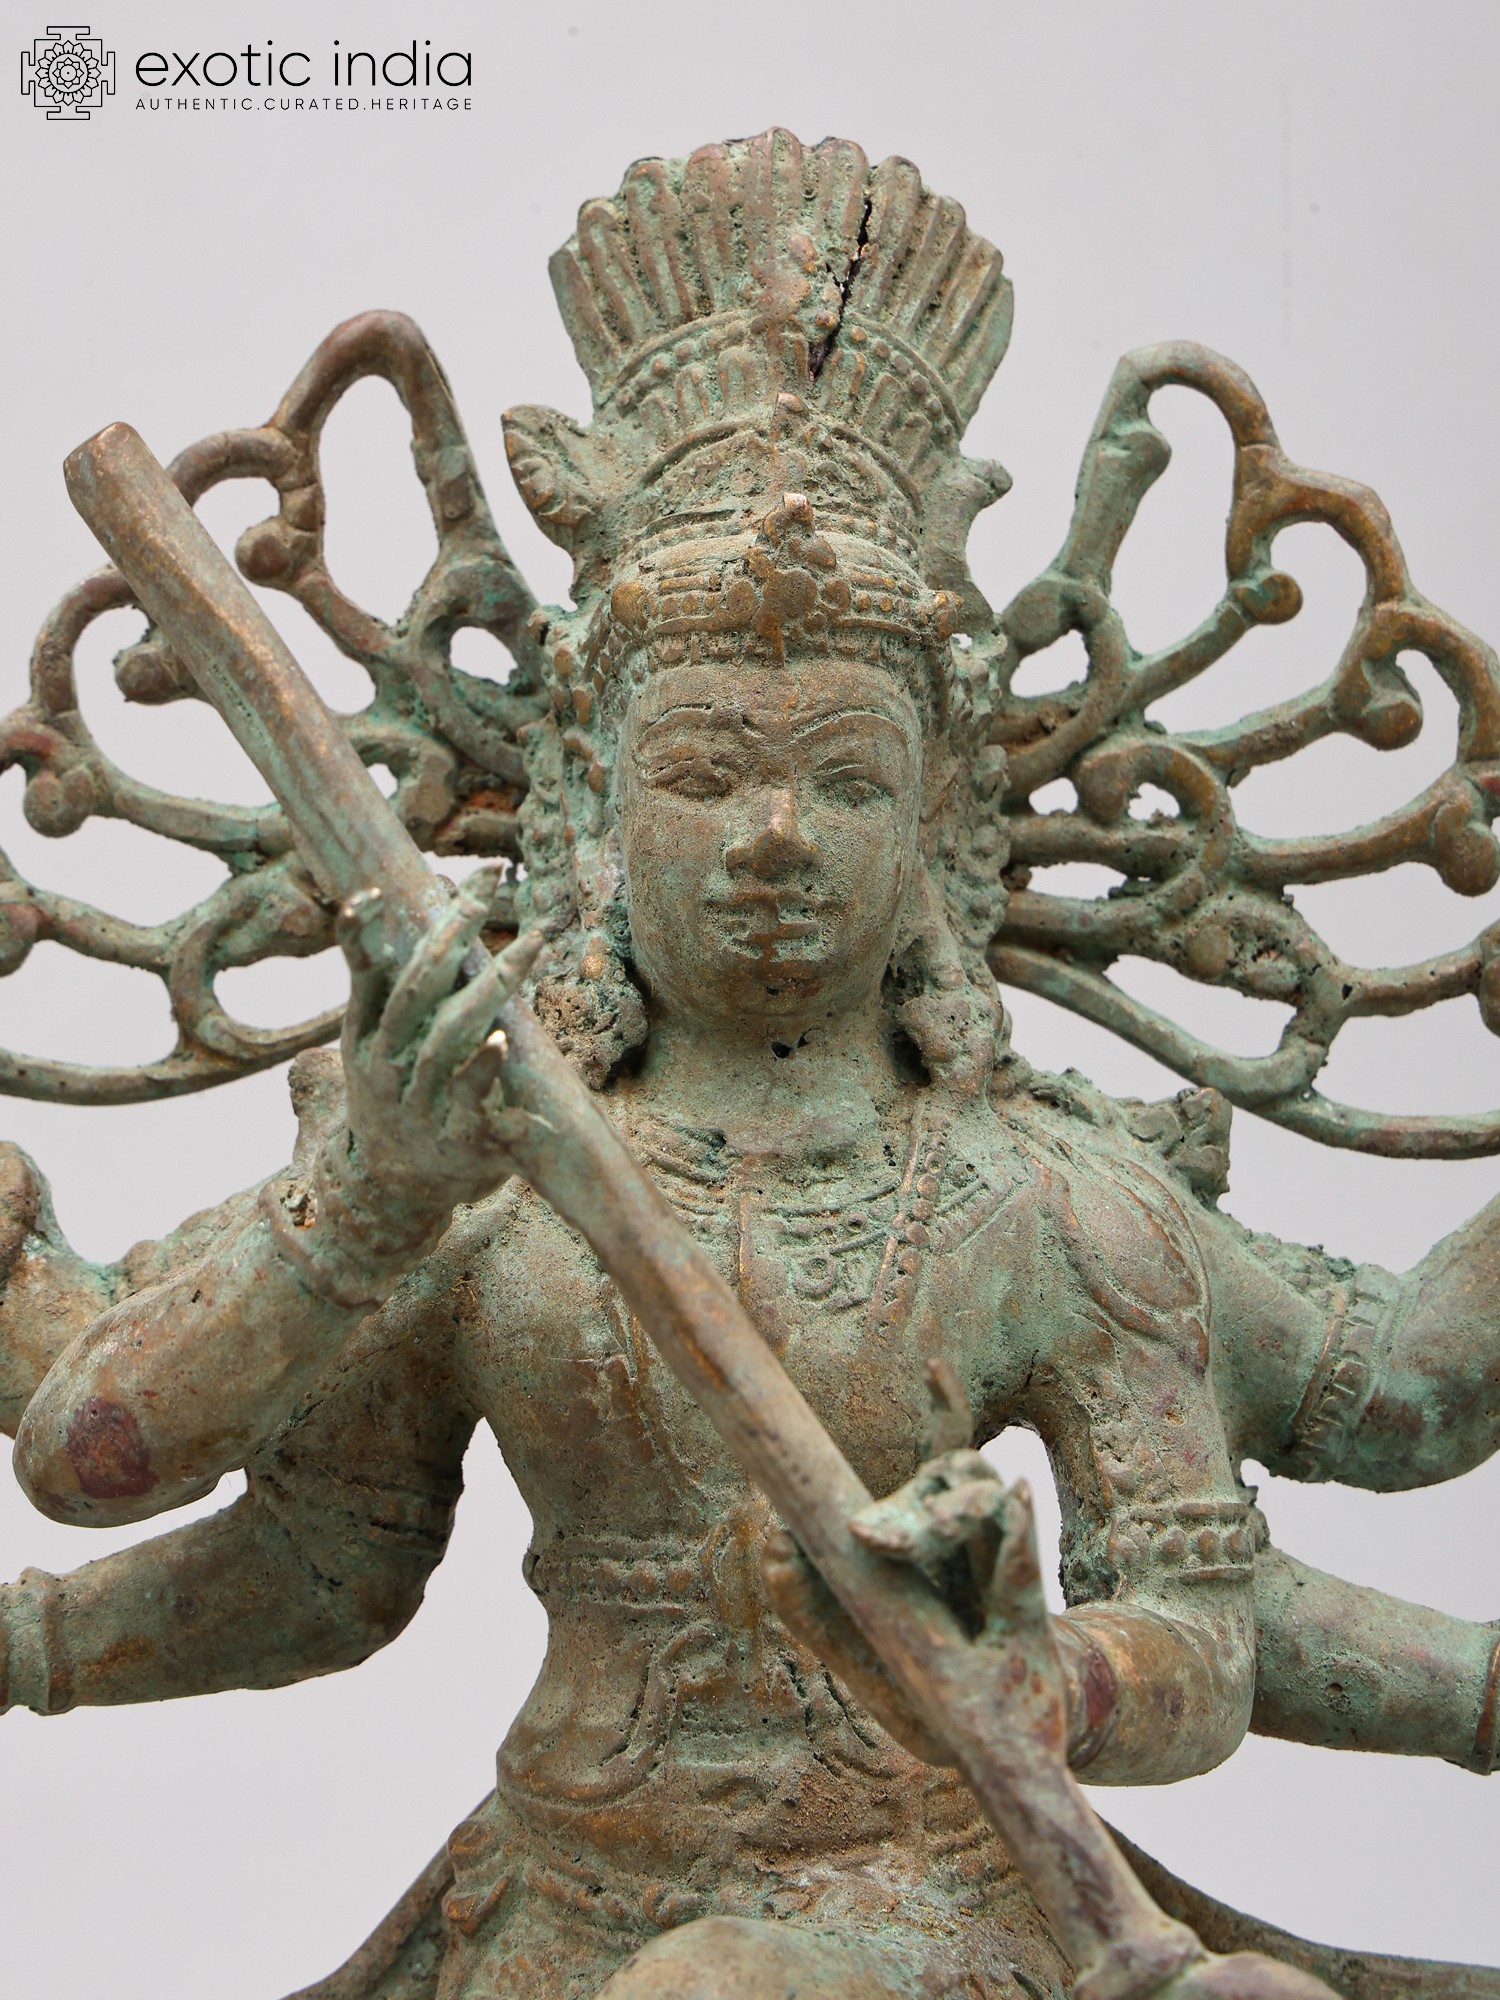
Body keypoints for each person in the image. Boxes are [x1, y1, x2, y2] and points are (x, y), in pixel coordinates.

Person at [0, 131, 1494, 2000]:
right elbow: (291, 1556)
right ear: (592, 800)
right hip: (549, 1914)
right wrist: (362, 1211)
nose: (774, 838)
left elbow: (1201, 1622)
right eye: (704, 772)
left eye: (847, 781)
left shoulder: (1042, 1199)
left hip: (947, 1917)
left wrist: (1056, 1678)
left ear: (940, 816)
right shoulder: (466, 1169)